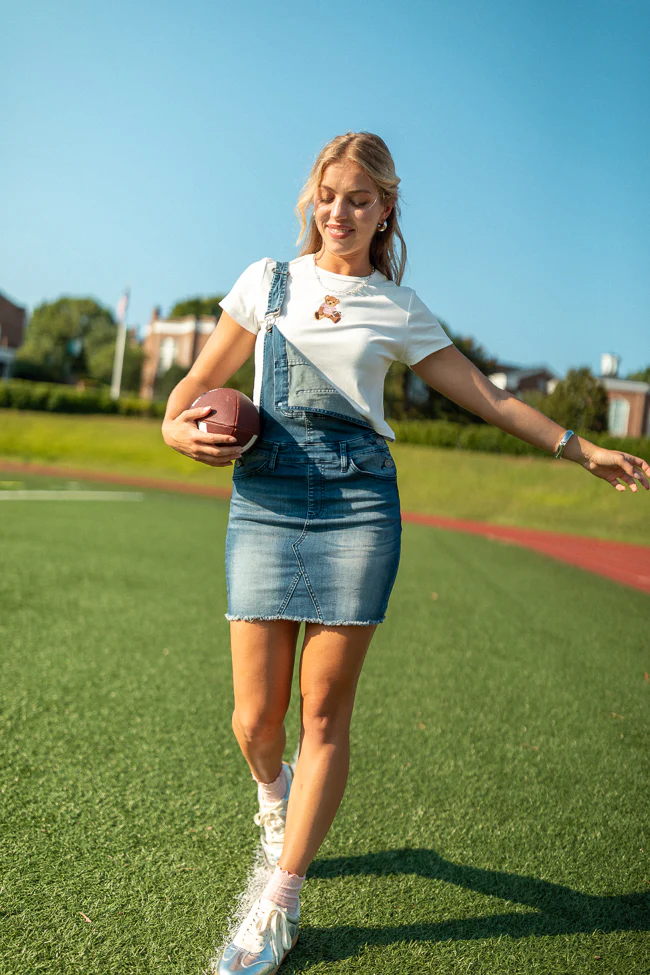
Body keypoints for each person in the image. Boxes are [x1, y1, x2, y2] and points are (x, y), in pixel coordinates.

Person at [161, 131, 649, 974]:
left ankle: (279, 900)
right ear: (312, 199)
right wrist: (175, 430)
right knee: (254, 720)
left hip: (358, 507)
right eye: (327, 194)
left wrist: (582, 446)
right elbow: (186, 389)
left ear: (385, 207)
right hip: (268, 499)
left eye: (358, 198)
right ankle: (275, 801)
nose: (338, 212)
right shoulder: (265, 282)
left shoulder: (400, 307)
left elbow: (491, 398)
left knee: (322, 713)